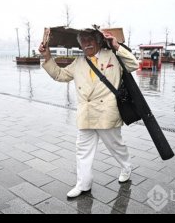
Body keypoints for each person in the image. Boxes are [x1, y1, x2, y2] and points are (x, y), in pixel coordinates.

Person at [38, 28, 139, 198]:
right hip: (86, 113)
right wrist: (47, 56)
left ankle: (126, 166)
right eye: (83, 41)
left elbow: (133, 65)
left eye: (90, 40)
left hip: (107, 112)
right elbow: (60, 75)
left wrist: (116, 46)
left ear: (98, 41)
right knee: (82, 150)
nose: (86, 44)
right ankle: (83, 184)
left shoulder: (111, 55)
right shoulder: (79, 62)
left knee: (115, 145)